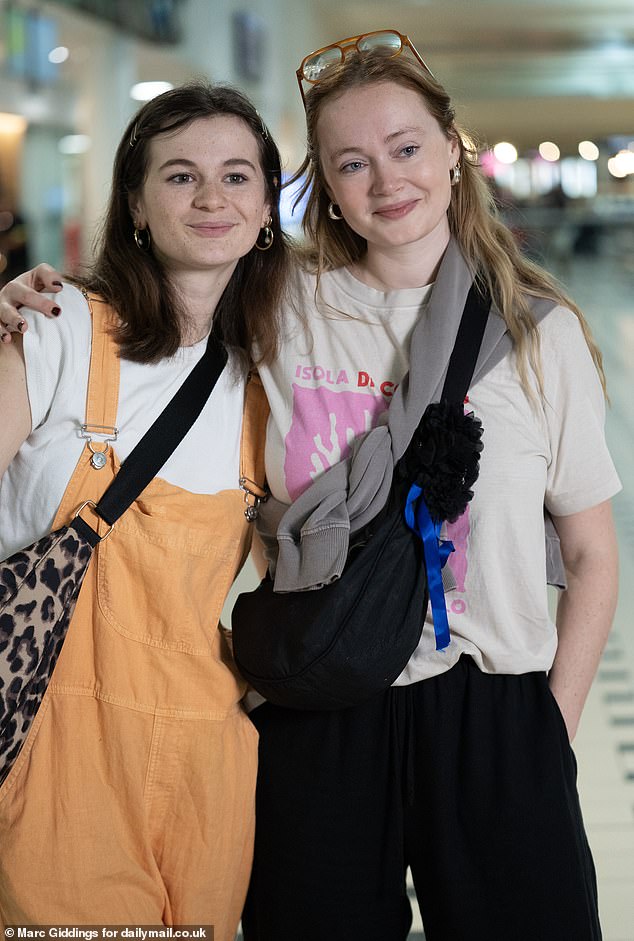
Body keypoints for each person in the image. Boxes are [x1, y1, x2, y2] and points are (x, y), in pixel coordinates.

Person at [0, 29, 622, 941]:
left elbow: (592, 554)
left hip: (488, 705)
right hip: (318, 692)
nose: (387, 180)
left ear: (453, 148)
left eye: (407, 149)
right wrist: (26, 305)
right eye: (352, 162)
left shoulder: (539, 333)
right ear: (323, 185)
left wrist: (546, 737)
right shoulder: (284, 307)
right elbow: (164, 306)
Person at [0, 81, 291, 933]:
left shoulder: (271, 383)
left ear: (267, 208)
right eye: (179, 176)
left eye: (238, 176)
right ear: (135, 202)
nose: (211, 197)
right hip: (56, 758)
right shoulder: (59, 328)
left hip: (206, 764)